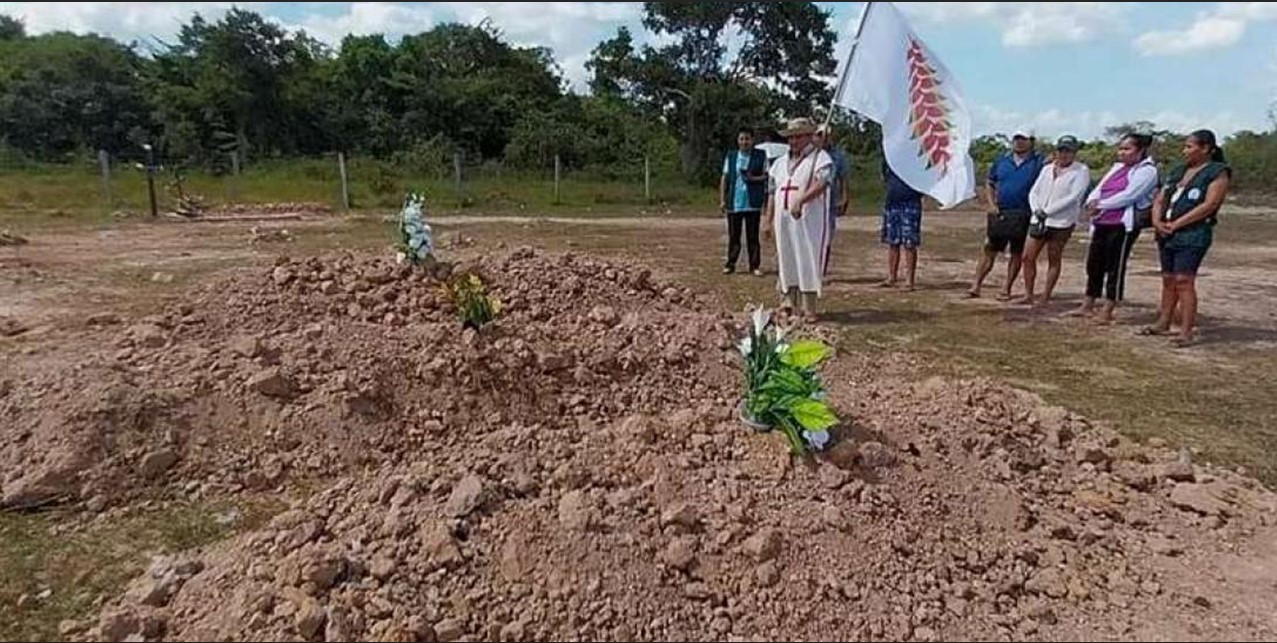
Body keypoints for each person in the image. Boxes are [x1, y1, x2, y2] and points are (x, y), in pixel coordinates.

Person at [1141, 130, 1232, 347]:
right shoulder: (1178, 171)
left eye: (1190, 146)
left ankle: (1186, 331)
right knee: (1168, 279)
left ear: (1206, 148)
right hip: (1167, 232)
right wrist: (1156, 221)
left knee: (1184, 280)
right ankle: (1163, 321)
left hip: (1193, 234)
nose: (1185, 151)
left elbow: (1209, 205)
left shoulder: (1217, 172)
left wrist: (1178, 224)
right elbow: (1160, 198)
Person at [1070, 133, 1159, 323]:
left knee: (1114, 266)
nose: (1122, 153)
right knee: (1094, 264)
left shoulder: (1147, 171)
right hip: (1102, 221)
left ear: (1140, 150)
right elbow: (1099, 188)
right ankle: (1088, 303)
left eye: (1127, 149)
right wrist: (1091, 202)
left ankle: (1109, 307)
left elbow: (1130, 195)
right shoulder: (1117, 168)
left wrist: (1101, 204)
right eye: (1120, 148)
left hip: (1121, 224)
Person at [767, 117, 834, 322]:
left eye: (797, 137)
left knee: (806, 256)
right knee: (786, 257)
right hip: (783, 217)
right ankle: (788, 302)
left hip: (807, 218)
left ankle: (809, 306)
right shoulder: (778, 163)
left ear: (808, 137)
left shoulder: (820, 158)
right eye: (791, 137)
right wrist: (767, 219)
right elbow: (772, 192)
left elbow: (822, 183)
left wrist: (802, 200)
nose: (793, 141)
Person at [969, 130, 1045, 300]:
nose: (1019, 142)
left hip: (1024, 212)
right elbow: (990, 182)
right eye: (1016, 138)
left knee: (1017, 252)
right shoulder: (1002, 160)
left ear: (1031, 141)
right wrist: (991, 203)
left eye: (1023, 139)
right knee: (989, 249)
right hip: (1001, 211)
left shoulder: (1038, 162)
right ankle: (976, 285)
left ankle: (1006, 288)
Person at [1020, 135, 1090, 306]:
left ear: (1074, 153)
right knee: (1027, 257)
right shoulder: (1047, 169)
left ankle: (1046, 295)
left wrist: (1048, 211)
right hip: (1039, 219)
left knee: (1054, 257)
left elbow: (1074, 197)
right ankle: (1028, 294)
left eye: (1068, 151)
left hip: (1061, 222)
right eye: (1061, 150)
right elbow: (1034, 191)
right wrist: (1036, 209)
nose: (1064, 154)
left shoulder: (1081, 171)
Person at [719, 127, 769, 276]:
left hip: (752, 202)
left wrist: (753, 178)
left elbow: (767, 176)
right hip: (734, 202)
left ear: (752, 140)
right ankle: (730, 264)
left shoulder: (761, 156)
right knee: (734, 235)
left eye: (747, 139)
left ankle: (754, 266)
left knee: (752, 236)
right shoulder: (732, 156)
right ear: (738, 140)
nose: (744, 142)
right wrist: (722, 199)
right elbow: (725, 178)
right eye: (741, 139)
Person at [879, 159, 925, 291]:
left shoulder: (916, 158)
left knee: (910, 243)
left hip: (911, 202)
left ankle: (909, 280)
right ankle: (891, 277)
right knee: (893, 242)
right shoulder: (889, 155)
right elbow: (884, 176)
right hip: (892, 202)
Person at [815, 125, 851, 276]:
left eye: (826, 135)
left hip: (830, 201)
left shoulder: (838, 155)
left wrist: (845, 198)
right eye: (820, 135)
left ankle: (821, 270)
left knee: (827, 237)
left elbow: (843, 179)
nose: (823, 138)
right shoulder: (812, 155)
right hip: (813, 201)